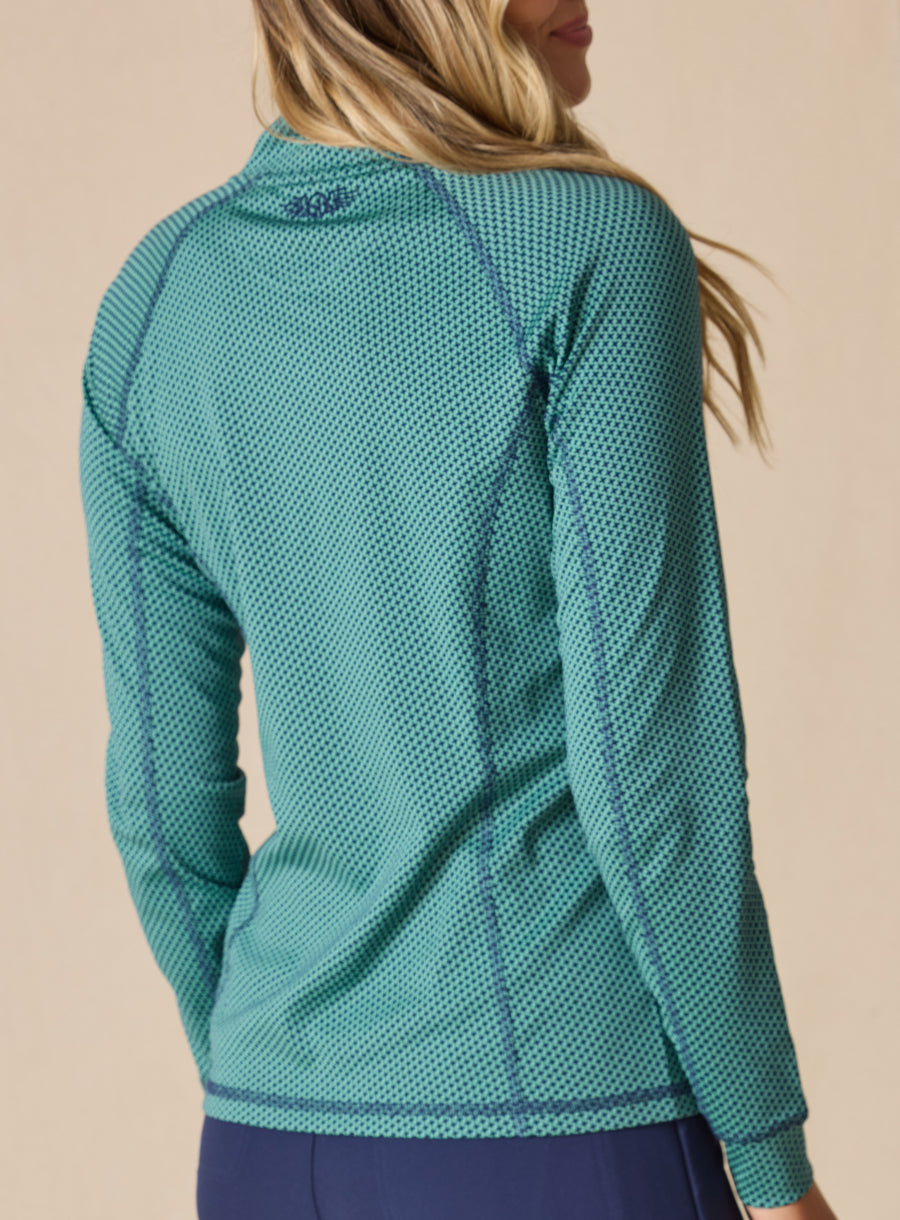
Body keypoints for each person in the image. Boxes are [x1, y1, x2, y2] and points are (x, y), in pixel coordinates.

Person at [77, 1, 840, 1217]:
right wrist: (771, 1157)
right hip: (568, 1125)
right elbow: (651, 775)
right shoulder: (582, 240)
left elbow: (160, 811)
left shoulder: (153, 302)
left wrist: (275, 1055)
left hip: (273, 1145)